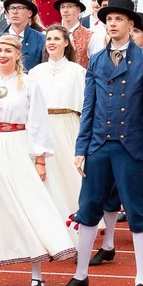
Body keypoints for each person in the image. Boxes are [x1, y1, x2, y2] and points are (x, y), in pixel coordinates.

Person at [57, 0, 143, 286]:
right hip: (98, 146)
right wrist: (81, 148)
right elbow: (88, 106)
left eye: (119, 19)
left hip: (132, 148)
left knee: (137, 211)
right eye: (109, 19)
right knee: (88, 208)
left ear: (131, 24)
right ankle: (81, 274)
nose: (113, 24)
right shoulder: (97, 60)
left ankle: (141, 279)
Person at [0, 32, 76, 286]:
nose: (2, 55)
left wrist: (40, 159)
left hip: (18, 146)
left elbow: (38, 122)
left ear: (18, 54)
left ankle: (36, 275)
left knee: (26, 207)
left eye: (8, 51)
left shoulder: (30, 84)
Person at [28, 25, 86, 221]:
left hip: (68, 125)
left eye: (56, 39)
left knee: (70, 174)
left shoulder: (77, 71)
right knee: (45, 174)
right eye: (49, 39)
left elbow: (85, 104)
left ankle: (75, 219)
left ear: (66, 43)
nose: (51, 42)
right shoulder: (35, 72)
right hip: (41, 127)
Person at [0, 0, 46, 71]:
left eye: (20, 8)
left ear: (29, 13)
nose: (15, 12)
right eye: (12, 8)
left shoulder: (41, 40)